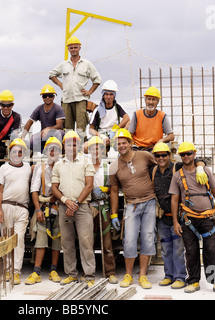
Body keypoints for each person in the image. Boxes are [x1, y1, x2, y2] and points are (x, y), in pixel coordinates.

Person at [169, 141, 215, 295]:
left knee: (211, 250)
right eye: (183, 154)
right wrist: (175, 222)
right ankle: (193, 281)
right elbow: (174, 200)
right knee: (191, 251)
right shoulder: (177, 176)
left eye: (189, 153)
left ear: (194, 154)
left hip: (208, 218)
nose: (186, 156)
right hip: (188, 220)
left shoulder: (205, 171)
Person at [109, 128, 157, 289]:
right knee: (129, 239)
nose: (121, 146)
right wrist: (114, 214)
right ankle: (128, 275)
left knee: (148, 237)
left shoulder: (145, 156)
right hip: (131, 205)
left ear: (131, 143)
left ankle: (142, 275)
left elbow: (161, 168)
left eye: (124, 142)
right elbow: (114, 191)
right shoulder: (114, 167)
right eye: (118, 144)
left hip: (150, 202)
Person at [51, 130, 96, 287]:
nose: (71, 146)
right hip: (64, 207)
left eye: (74, 143)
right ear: (64, 146)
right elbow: (54, 188)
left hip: (82, 207)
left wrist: (75, 203)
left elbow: (89, 185)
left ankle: (89, 275)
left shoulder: (86, 162)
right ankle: (71, 274)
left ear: (78, 146)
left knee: (86, 241)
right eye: (68, 144)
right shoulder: (58, 164)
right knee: (67, 242)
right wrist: (65, 201)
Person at [25, 137, 63, 285]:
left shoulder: (62, 167)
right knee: (40, 240)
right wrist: (37, 209)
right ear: (46, 151)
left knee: (56, 239)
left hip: (58, 206)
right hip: (43, 206)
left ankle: (53, 270)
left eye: (56, 149)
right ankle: (37, 271)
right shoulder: (40, 168)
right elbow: (34, 190)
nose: (53, 152)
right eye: (50, 149)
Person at [49, 36, 102, 141]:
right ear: (68, 49)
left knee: (81, 127)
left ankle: (81, 151)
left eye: (75, 47)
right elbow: (51, 74)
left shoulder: (87, 64)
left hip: (80, 99)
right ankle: (69, 152)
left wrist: (90, 91)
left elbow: (97, 79)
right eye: (71, 48)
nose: (73, 50)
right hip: (66, 100)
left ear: (79, 48)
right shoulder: (64, 65)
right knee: (68, 128)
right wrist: (60, 84)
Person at [0, 138, 32, 285]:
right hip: (6, 206)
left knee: (19, 240)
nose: (17, 153)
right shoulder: (4, 168)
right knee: (7, 240)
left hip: (22, 208)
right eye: (14, 151)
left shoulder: (28, 167)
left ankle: (16, 272)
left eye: (20, 151)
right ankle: (8, 270)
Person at [87, 136, 120, 284]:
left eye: (99, 147)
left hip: (103, 207)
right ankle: (89, 273)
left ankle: (110, 272)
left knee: (106, 243)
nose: (96, 150)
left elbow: (113, 191)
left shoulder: (108, 167)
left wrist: (113, 214)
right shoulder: (85, 165)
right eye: (93, 147)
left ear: (103, 150)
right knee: (87, 242)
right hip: (88, 207)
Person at [84, 80, 130, 153]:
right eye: (106, 94)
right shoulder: (98, 110)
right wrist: (101, 136)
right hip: (101, 135)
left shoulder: (117, 107)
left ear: (114, 95)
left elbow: (127, 118)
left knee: (129, 123)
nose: (108, 97)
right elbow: (91, 129)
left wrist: (116, 128)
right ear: (103, 95)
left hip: (114, 135)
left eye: (111, 94)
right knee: (85, 147)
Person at [21, 84, 65, 157]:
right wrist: (22, 137)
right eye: (45, 96)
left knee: (58, 134)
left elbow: (59, 125)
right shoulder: (39, 108)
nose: (47, 97)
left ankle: (60, 152)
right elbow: (30, 122)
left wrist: (48, 129)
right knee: (31, 142)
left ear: (54, 96)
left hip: (56, 133)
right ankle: (45, 152)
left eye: (50, 95)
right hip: (44, 134)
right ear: (42, 97)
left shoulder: (58, 108)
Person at [127, 86, 175, 151]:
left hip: (154, 149)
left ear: (158, 101)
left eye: (154, 99)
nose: (151, 102)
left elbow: (171, 136)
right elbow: (129, 134)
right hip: (137, 148)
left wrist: (162, 140)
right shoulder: (137, 114)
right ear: (145, 100)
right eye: (149, 99)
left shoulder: (162, 116)